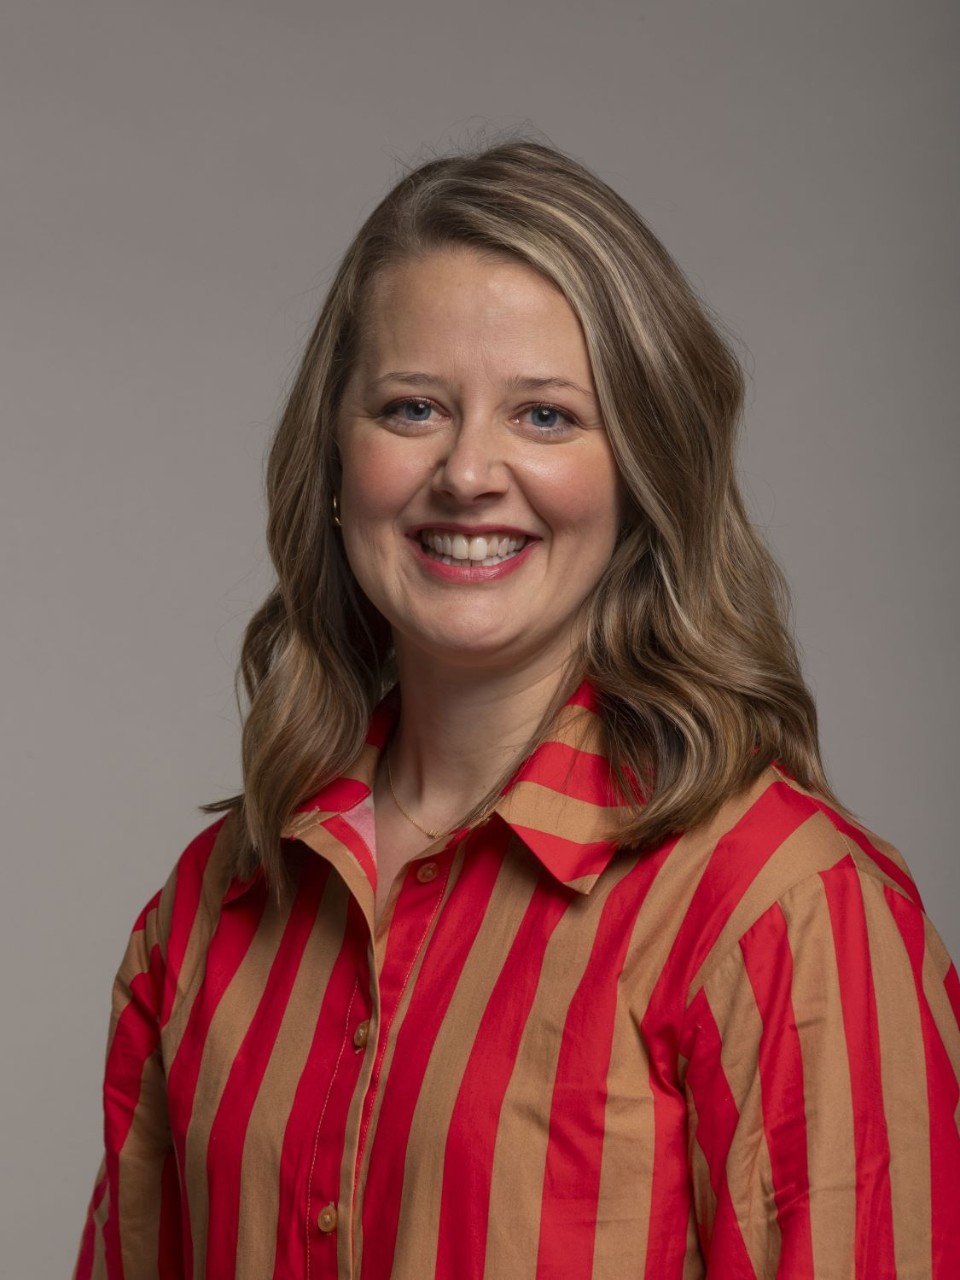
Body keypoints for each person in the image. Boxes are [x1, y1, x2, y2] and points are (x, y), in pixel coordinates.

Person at [75, 140, 960, 1280]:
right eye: (412, 407)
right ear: (335, 463)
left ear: (641, 468)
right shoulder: (205, 910)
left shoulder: (784, 908)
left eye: (545, 416)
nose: (468, 471)